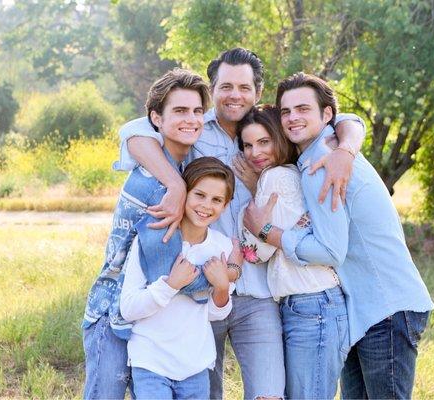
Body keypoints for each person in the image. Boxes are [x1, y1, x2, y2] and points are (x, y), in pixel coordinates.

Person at [117, 48, 367, 400]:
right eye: (226, 86)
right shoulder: (192, 129)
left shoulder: (275, 129)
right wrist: (175, 184)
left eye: (244, 88)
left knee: (269, 394)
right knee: (205, 390)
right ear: (213, 89)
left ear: (257, 92)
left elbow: (347, 120)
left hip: (260, 291)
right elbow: (133, 133)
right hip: (203, 287)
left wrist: (346, 149)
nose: (236, 95)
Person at [243, 72, 434, 400]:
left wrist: (267, 231)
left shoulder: (322, 164)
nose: (293, 118)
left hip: (385, 308)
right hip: (360, 308)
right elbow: (350, 119)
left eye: (303, 108)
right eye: (286, 111)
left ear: (326, 114)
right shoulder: (325, 151)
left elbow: (331, 251)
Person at [81, 69, 240, 400]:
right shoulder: (156, 185)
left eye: (197, 111)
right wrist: (228, 273)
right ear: (156, 118)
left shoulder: (176, 173)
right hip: (114, 314)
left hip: (150, 322)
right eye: (180, 111)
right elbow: (173, 272)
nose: (192, 119)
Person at [237, 105, 349, 399]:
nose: (254, 153)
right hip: (315, 300)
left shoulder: (274, 178)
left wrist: (249, 224)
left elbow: (258, 252)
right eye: (247, 145)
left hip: (310, 302)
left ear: (279, 137)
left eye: (264, 142)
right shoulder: (292, 173)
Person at [120, 157, 236, 400]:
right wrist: (171, 285)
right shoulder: (151, 238)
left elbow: (216, 314)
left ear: (225, 205)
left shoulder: (221, 248)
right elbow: (128, 308)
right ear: (184, 193)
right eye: (199, 195)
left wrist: (222, 285)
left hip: (195, 365)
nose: (206, 205)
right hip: (150, 361)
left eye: (216, 200)